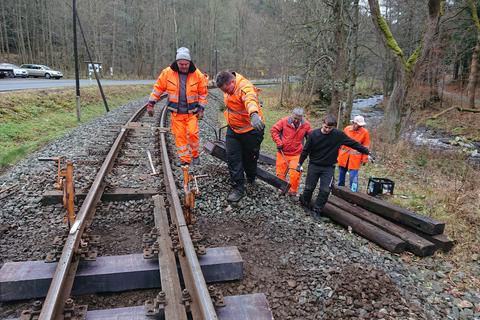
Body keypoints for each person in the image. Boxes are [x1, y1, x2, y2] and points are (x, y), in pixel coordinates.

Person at [297, 114, 369, 218]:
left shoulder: (338, 135)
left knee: (325, 190)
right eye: (325, 127)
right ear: (323, 124)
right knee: (309, 187)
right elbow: (305, 150)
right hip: (314, 165)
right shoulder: (313, 134)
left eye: (330, 128)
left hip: (328, 167)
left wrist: (367, 152)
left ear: (333, 127)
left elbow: (353, 143)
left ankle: (317, 209)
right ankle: (304, 203)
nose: (327, 129)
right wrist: (300, 163)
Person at [145, 47, 208, 166]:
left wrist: (201, 109)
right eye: (181, 64)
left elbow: (203, 93)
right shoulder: (167, 73)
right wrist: (151, 103)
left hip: (192, 113)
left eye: (186, 64)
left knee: (193, 134)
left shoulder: (197, 74)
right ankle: (184, 159)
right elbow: (158, 88)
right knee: (180, 137)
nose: (184, 66)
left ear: (190, 63)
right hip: (177, 113)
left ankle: (195, 156)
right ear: (176, 62)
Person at [215, 71, 265, 202]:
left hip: (251, 130)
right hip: (233, 130)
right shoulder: (228, 87)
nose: (227, 93)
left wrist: (254, 114)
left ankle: (251, 177)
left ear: (232, 82)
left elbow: (250, 99)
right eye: (224, 91)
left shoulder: (244, 87)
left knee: (250, 158)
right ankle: (238, 188)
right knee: (233, 158)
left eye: (227, 90)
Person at [270, 107, 311, 196]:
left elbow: (310, 138)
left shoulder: (306, 125)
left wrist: (308, 148)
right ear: (292, 115)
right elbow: (274, 130)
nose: (296, 120)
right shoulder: (283, 121)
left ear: (302, 118)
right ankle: (282, 188)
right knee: (280, 174)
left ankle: (292, 191)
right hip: (283, 153)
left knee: (295, 174)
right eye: (294, 118)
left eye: (298, 119)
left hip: (296, 154)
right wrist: (278, 142)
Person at [337, 115, 371, 192]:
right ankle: (339, 191)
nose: (359, 127)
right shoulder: (347, 129)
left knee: (353, 177)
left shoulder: (365, 132)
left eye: (361, 126)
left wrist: (364, 159)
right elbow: (340, 142)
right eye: (358, 125)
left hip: (355, 159)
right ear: (354, 123)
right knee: (341, 176)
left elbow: (366, 147)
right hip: (343, 157)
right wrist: (337, 155)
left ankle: (354, 194)